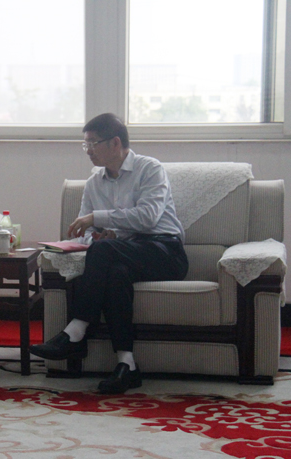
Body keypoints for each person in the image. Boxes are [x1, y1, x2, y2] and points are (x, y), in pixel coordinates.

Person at [30, 113, 188, 394]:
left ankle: (76, 330)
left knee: (105, 252)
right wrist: (98, 234)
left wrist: (98, 219)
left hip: (165, 251)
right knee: (115, 273)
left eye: (93, 143)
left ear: (115, 143)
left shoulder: (150, 169)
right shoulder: (94, 182)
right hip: (125, 253)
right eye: (85, 144)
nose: (88, 150)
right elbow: (85, 231)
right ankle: (127, 365)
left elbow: (148, 217)